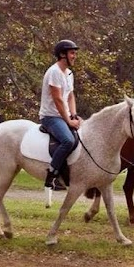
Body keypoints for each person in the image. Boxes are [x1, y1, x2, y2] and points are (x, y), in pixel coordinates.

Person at [40, 39, 80, 190]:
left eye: (75, 53)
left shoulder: (69, 73)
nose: (74, 56)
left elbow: (70, 96)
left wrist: (74, 115)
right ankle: (52, 174)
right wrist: (69, 121)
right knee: (68, 141)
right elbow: (57, 100)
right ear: (62, 54)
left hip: (64, 116)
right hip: (50, 117)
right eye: (72, 53)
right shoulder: (54, 72)